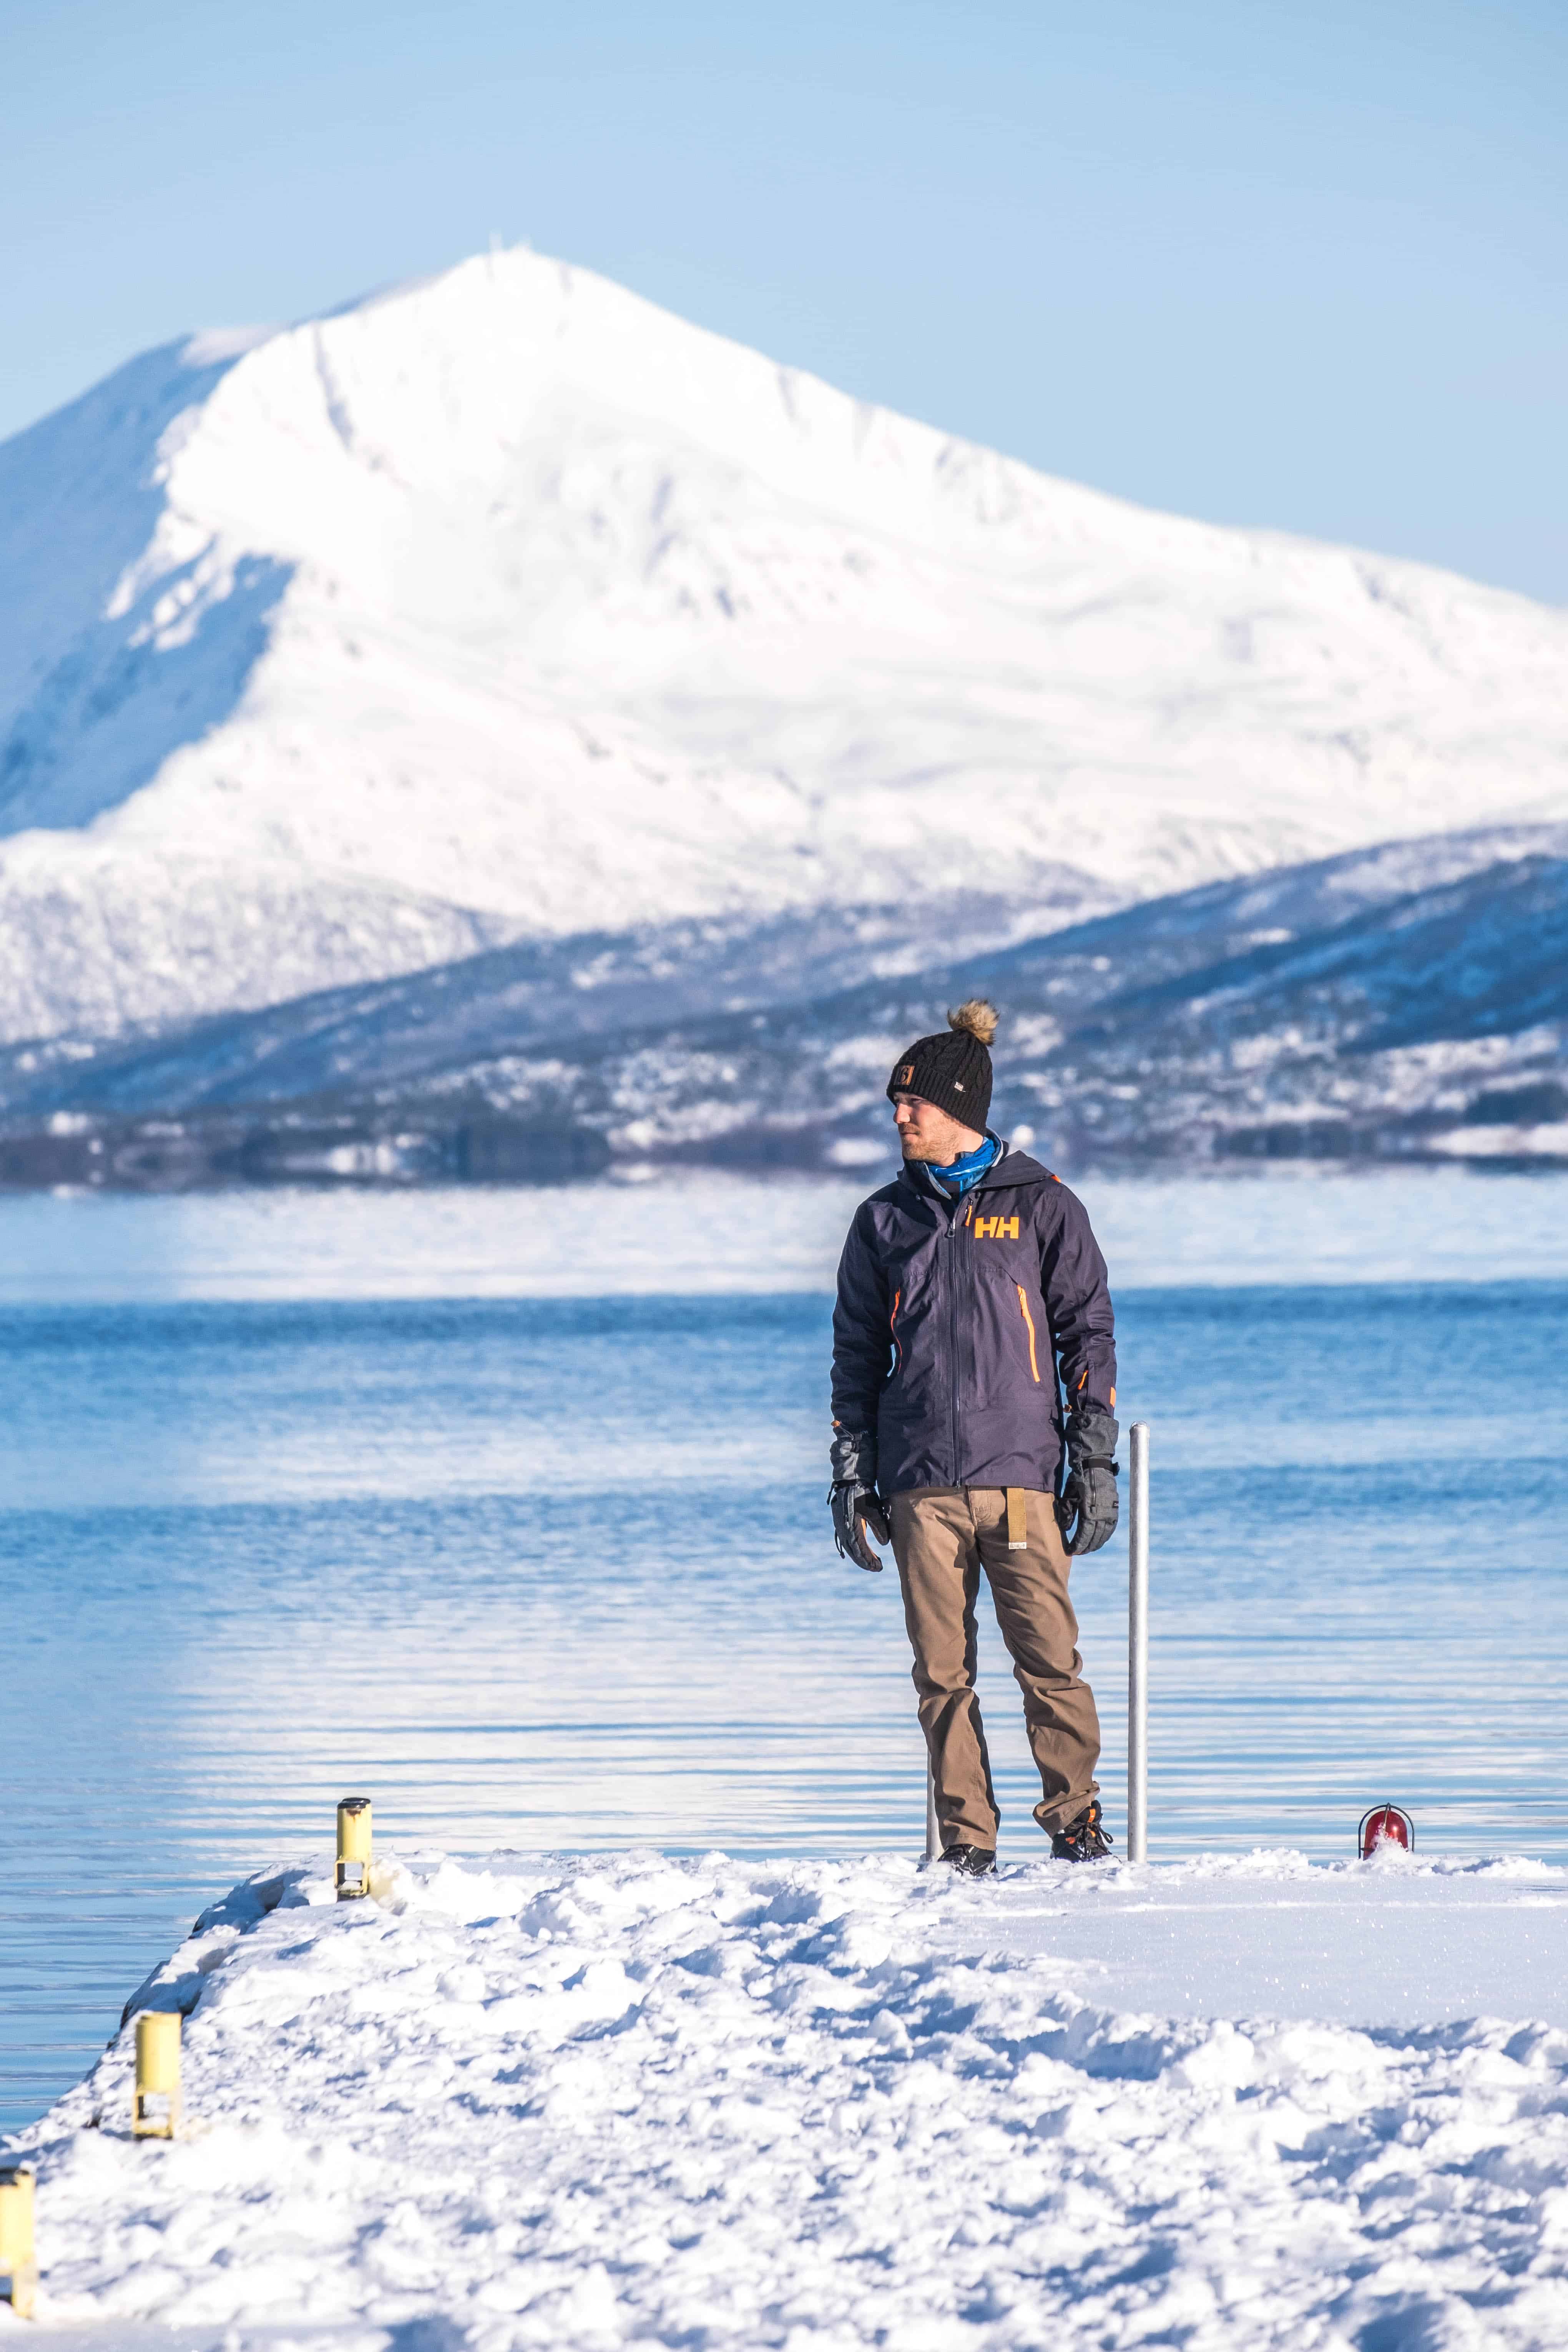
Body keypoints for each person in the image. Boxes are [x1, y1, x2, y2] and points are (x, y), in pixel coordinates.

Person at [829, 1000, 1120, 1874]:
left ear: (960, 1107)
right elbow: (855, 1352)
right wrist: (853, 1471)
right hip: (920, 1482)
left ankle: (1076, 1824)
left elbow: (1088, 1333)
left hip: (1022, 1475)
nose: (899, 1117)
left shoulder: (1042, 1204)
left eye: (911, 1103)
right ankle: (968, 1843)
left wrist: (1094, 1457)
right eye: (896, 1103)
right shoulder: (883, 1219)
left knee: (1050, 1662)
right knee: (941, 1676)